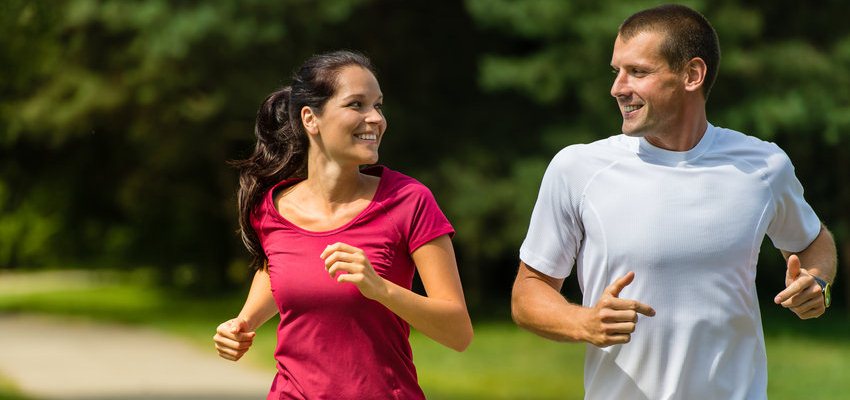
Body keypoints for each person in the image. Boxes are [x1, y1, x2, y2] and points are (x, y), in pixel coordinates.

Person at [511, 4, 837, 399]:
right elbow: (528, 293)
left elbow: (812, 240)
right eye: (617, 70)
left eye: (638, 72)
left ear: (692, 75)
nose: (618, 87)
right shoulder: (578, 168)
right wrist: (585, 322)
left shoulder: (764, 164)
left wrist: (817, 281)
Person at [213, 50, 473, 400]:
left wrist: (381, 289)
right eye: (357, 105)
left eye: (378, 106)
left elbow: (458, 332)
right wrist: (242, 323)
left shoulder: (410, 200)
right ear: (310, 119)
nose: (376, 119)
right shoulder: (271, 208)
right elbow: (277, 268)